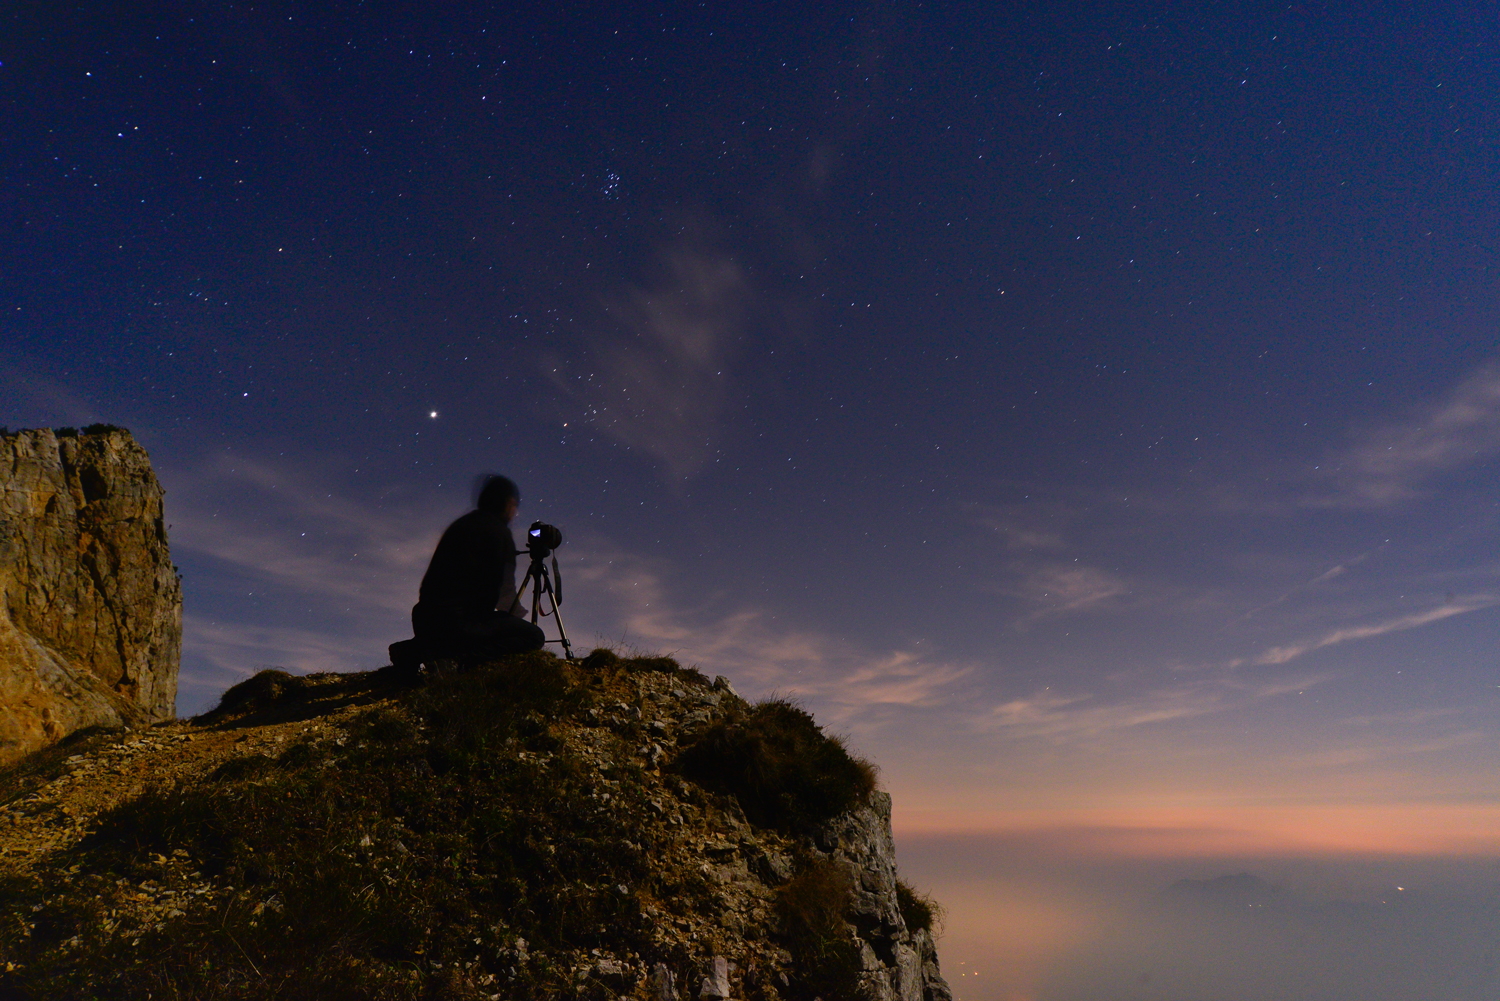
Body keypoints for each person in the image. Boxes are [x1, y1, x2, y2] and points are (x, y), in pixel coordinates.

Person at [390, 475, 546, 676]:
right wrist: (517, 618)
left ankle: (410, 651)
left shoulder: (461, 525)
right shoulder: (498, 533)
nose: (515, 512)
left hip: (425, 619)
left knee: (463, 627)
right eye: (514, 505)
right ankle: (456, 663)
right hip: (460, 623)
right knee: (533, 636)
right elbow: (505, 594)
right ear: (506, 503)